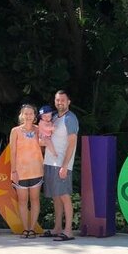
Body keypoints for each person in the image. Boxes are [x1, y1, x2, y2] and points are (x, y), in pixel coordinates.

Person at [42, 89, 79, 241]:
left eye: (62, 100)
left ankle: (68, 231)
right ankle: (57, 228)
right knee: (56, 197)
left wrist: (64, 165)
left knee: (64, 196)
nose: (59, 102)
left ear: (68, 102)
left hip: (62, 164)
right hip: (50, 162)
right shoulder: (55, 118)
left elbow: (72, 143)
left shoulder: (70, 119)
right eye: (57, 100)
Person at [9, 104, 44, 238]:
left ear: (35, 116)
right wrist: (13, 171)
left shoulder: (40, 129)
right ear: (21, 115)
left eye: (31, 114)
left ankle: (32, 228)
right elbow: (13, 151)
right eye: (26, 114)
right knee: (22, 201)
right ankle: (25, 229)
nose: (28, 116)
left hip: (37, 170)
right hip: (20, 172)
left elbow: (46, 145)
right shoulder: (15, 131)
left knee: (35, 200)